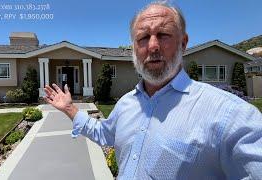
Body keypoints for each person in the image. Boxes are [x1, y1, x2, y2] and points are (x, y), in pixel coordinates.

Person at [44, 1, 262, 179]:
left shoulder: (231, 116)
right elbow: (104, 133)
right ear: (134, 49)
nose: (153, 46)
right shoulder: (127, 104)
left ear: (183, 43)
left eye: (164, 34)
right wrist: (70, 108)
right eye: (143, 38)